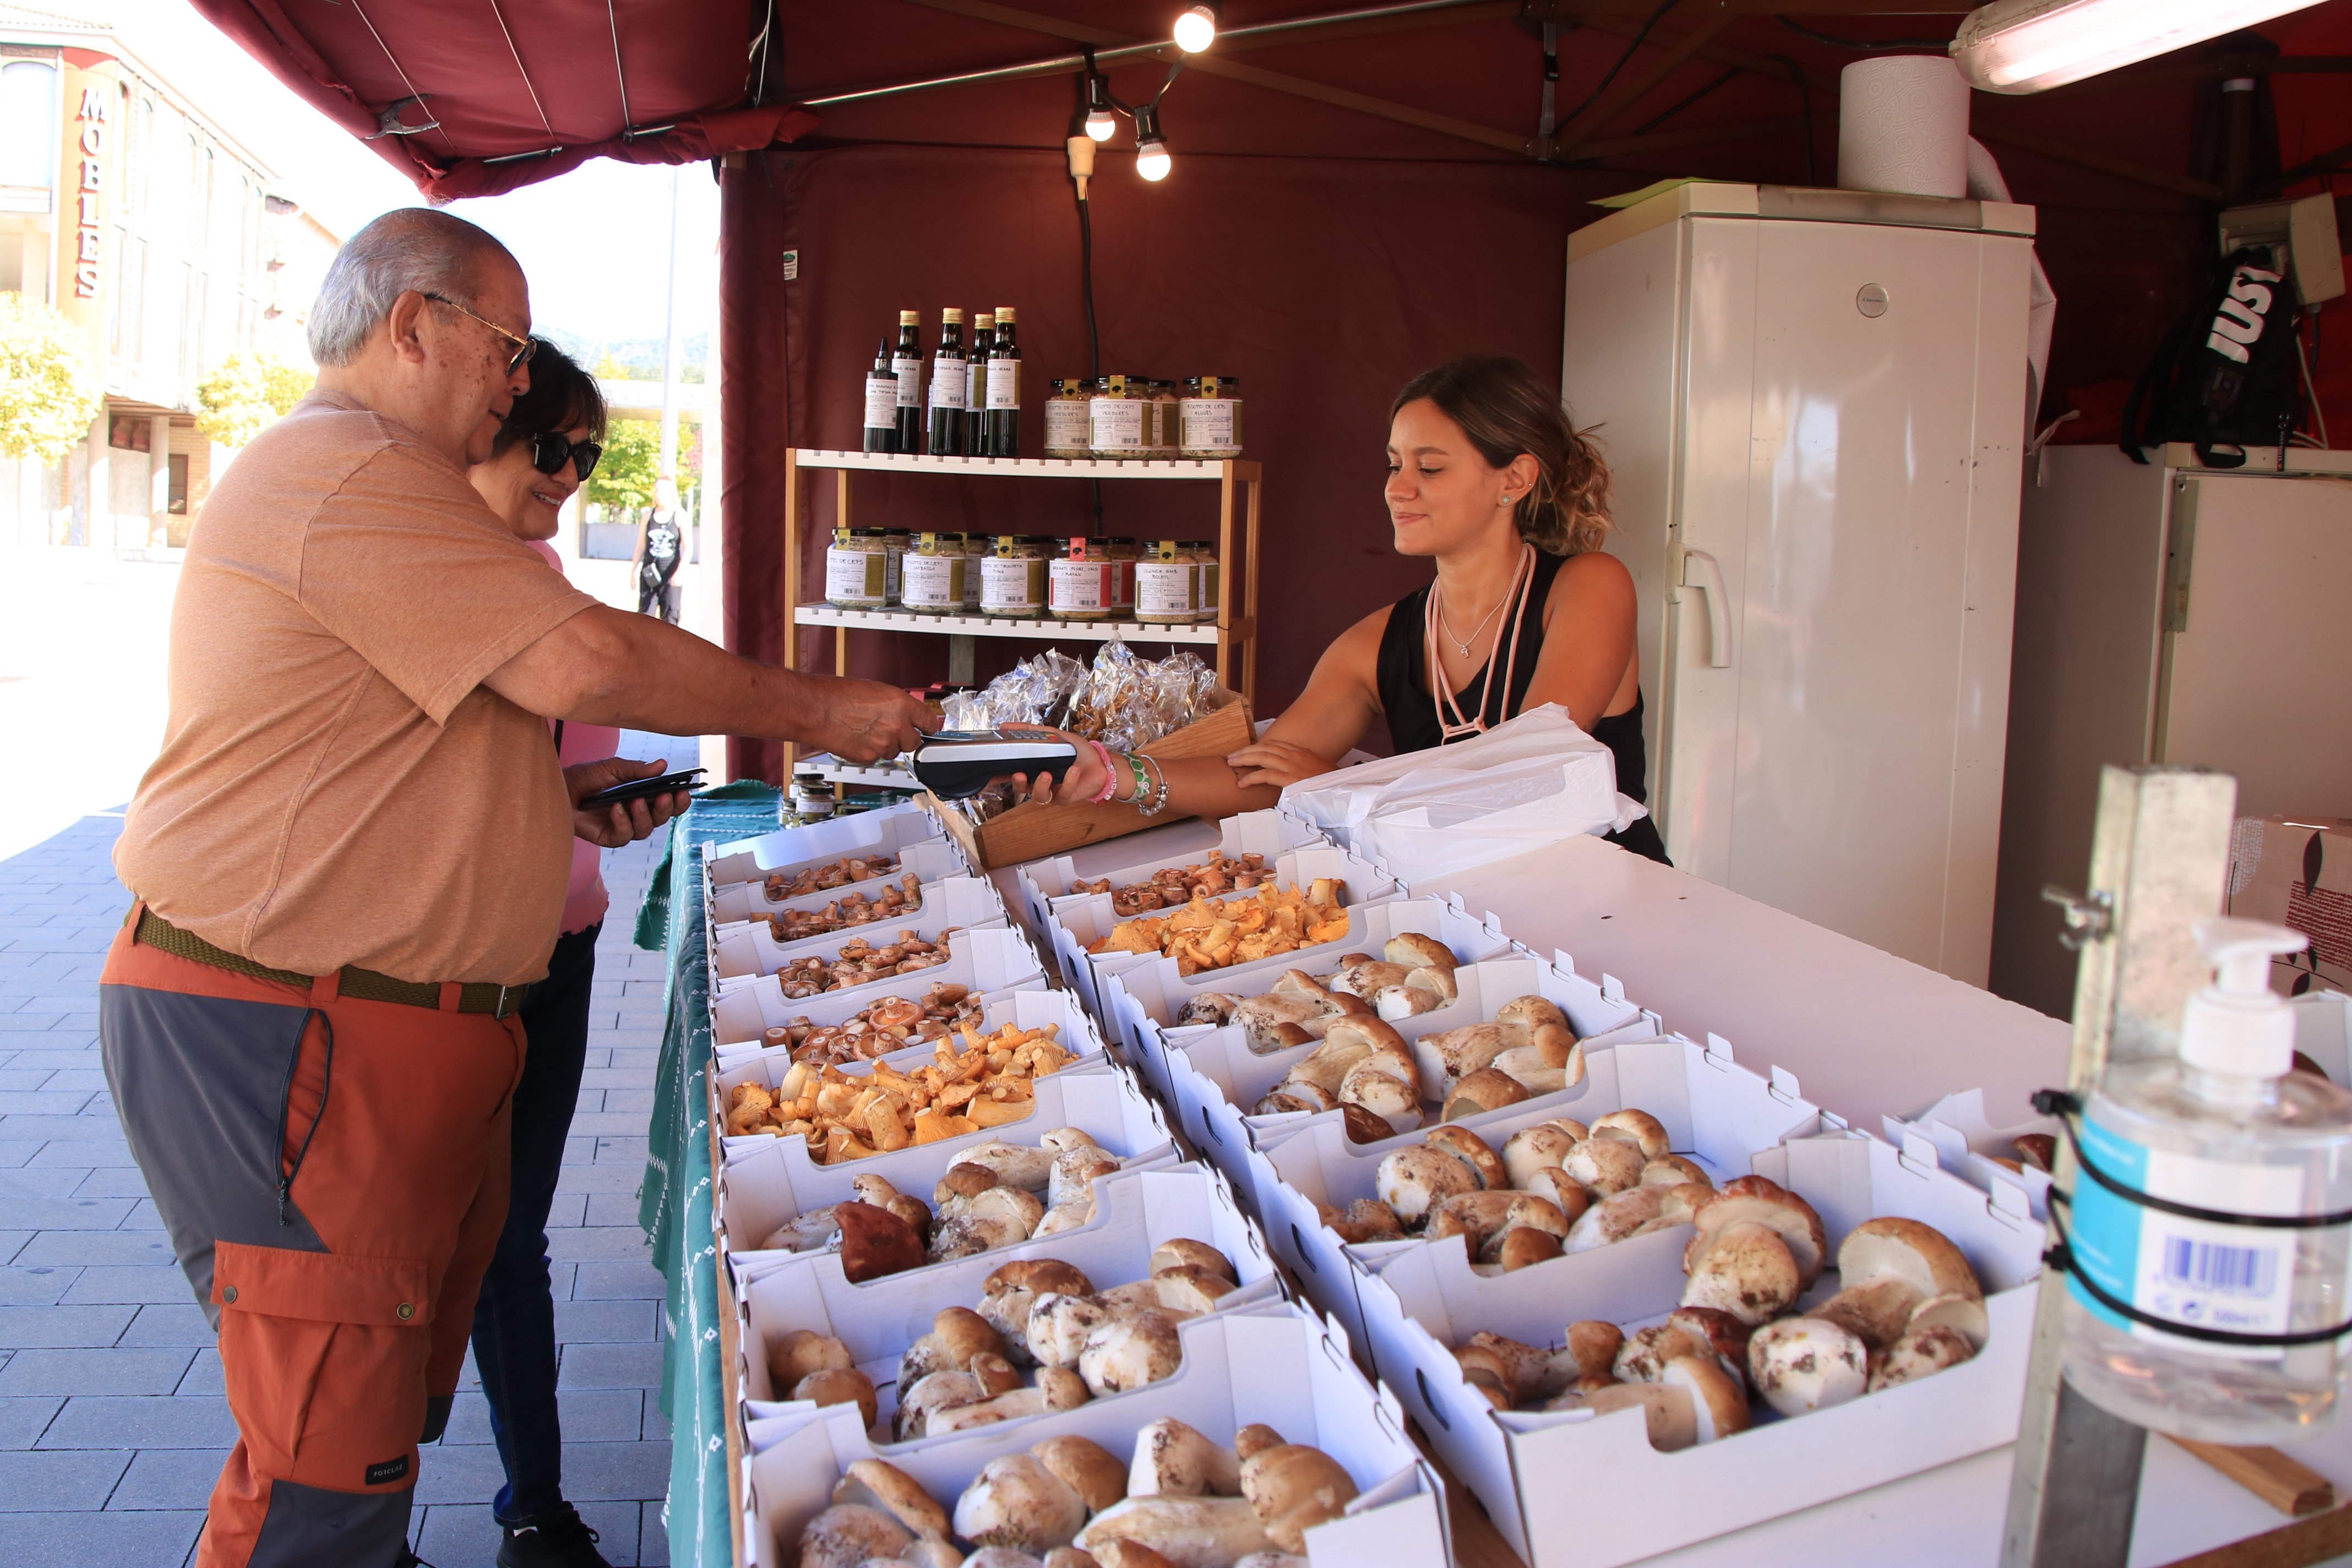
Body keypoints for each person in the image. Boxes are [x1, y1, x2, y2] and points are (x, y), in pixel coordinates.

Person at [100, 208, 928, 1568]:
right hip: (293, 1032)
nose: (517, 379)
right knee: (320, 1466)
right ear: (412, 321)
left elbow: (386, 752)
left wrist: (548, 802)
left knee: (344, 1435)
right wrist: (819, 708)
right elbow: (585, 663)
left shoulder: (382, 479)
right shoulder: (352, 470)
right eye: (507, 344)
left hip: (357, 1031)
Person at [1019, 353, 1669, 864]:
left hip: (1610, 903)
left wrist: (1341, 786)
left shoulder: (1589, 587)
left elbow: (1523, 774)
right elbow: (1267, 773)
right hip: (1471, 910)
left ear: (1516, 479)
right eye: (1393, 464)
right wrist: (1110, 772)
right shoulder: (1379, 641)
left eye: (1431, 467)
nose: (1398, 488)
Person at [462, 340, 640, 1567]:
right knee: (444, 1242)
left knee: (510, 1231)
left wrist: (594, 796)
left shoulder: (544, 570)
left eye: (590, 453)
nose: (572, 472)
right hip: (457, 974)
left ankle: (536, 1501)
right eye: (551, 446)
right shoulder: (444, 577)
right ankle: (349, 1516)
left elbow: (535, 770)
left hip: (557, 950)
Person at [635, 476, 683, 623]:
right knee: (645, 619)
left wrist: (680, 572)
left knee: (670, 620)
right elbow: (641, 546)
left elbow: (688, 548)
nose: (658, 494)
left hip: (670, 577)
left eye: (662, 491)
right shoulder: (648, 516)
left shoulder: (680, 515)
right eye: (656, 491)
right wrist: (633, 571)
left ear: (671, 492)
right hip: (650, 575)